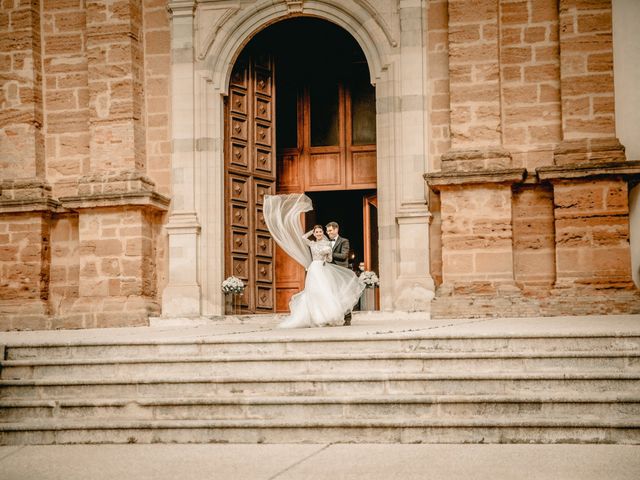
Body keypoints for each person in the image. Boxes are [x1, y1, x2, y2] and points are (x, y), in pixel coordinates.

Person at [263, 194, 364, 329]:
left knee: (330, 292)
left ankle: (339, 317)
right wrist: (312, 230)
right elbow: (304, 238)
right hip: (314, 269)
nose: (321, 233)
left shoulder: (332, 243)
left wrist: (327, 254)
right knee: (315, 292)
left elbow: (333, 257)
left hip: (327, 268)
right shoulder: (313, 243)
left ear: (332, 231)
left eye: (323, 231)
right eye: (320, 231)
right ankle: (317, 316)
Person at [326, 221, 353, 326]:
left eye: (330, 230)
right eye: (327, 231)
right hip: (329, 272)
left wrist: (329, 253)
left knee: (344, 294)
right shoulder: (326, 242)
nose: (328, 233)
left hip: (341, 271)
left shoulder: (344, 241)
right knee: (331, 294)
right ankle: (332, 317)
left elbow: (344, 256)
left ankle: (347, 318)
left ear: (336, 229)